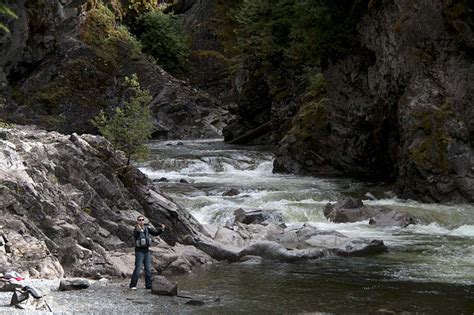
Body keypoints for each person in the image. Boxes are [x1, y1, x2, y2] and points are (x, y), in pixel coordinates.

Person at [129, 215, 165, 290]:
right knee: (138, 268)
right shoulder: (136, 229)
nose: (141, 221)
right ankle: (132, 285)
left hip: (146, 251)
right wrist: (139, 230)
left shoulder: (147, 228)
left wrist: (161, 229)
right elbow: (136, 234)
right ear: (137, 221)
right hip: (139, 252)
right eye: (139, 220)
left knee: (148, 269)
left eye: (142, 220)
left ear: (144, 221)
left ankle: (148, 286)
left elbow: (155, 233)